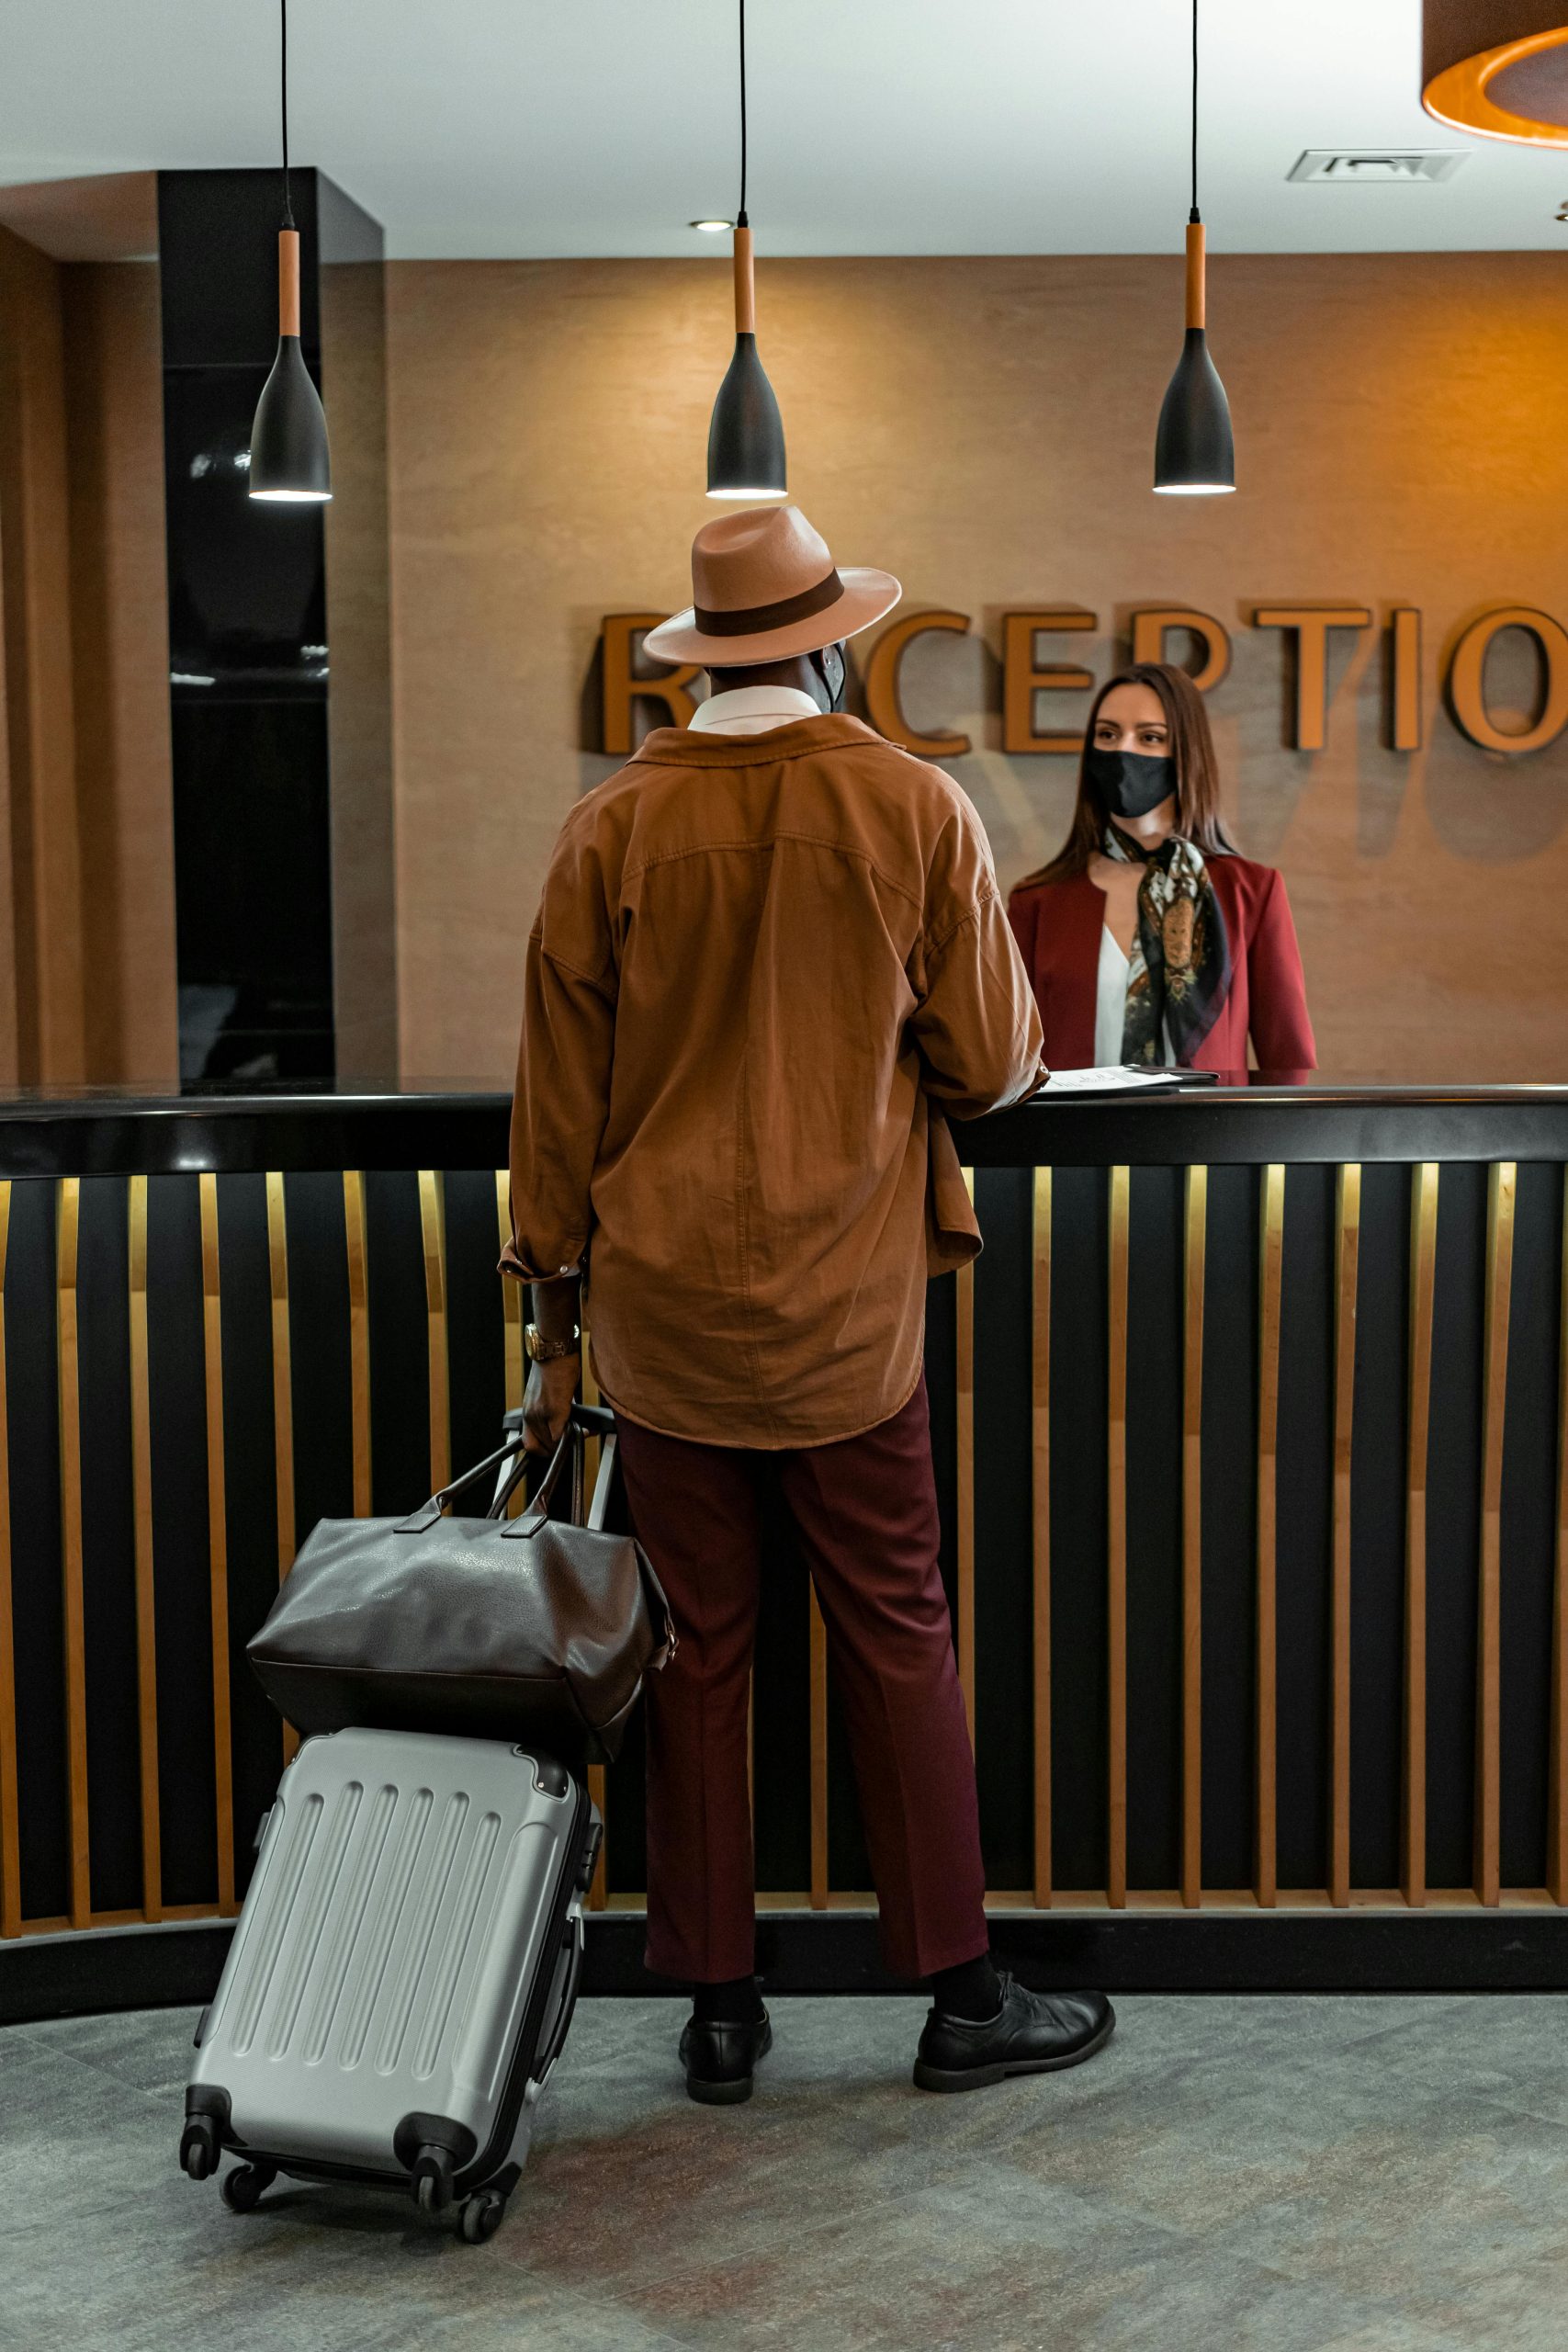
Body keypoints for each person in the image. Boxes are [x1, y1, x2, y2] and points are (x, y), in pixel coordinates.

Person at [504, 503, 1113, 2103]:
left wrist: (548, 1314)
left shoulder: (608, 828)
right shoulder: (910, 806)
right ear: (833, 648)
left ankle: (717, 2010)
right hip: (849, 1311)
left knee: (696, 1654)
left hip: (661, 1319)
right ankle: (961, 1996)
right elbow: (990, 1067)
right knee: (896, 1632)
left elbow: (554, 1114)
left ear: (702, 664)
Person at [1007, 662, 1315, 1074]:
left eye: (1150, 737)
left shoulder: (1250, 892)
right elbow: (1009, 1056)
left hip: (1209, 1118)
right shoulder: (1038, 902)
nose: (1123, 751)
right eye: (1107, 734)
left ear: (1186, 751)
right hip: (1070, 1118)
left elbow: (1286, 1059)